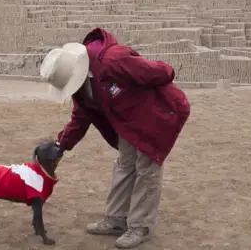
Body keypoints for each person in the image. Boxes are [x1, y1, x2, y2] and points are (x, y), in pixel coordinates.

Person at [39, 27, 191, 249]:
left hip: (156, 115)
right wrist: (61, 144)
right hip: (126, 121)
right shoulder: (82, 87)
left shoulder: (114, 60)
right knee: (125, 164)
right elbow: (81, 117)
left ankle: (140, 226)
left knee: (147, 170)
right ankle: (116, 220)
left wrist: (162, 82)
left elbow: (160, 72)